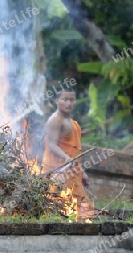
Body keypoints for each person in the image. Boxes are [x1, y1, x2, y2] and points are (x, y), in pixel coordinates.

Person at [41, 87, 93, 218]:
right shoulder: (55, 120)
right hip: (58, 172)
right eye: (65, 99)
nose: (69, 103)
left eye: (72, 100)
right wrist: (65, 157)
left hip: (72, 173)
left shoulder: (73, 123)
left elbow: (75, 151)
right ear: (57, 101)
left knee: (82, 211)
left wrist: (82, 172)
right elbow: (51, 144)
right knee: (59, 209)